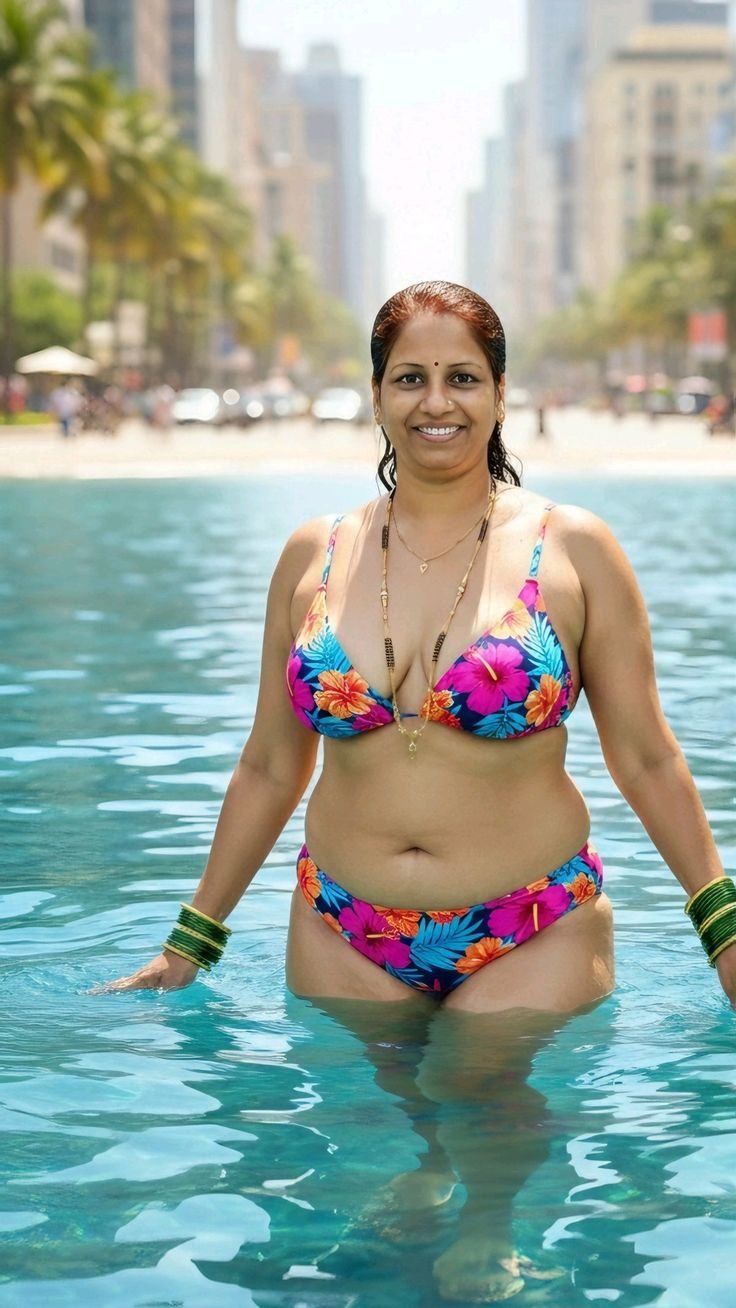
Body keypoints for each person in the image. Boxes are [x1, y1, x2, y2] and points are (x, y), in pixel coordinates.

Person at [103, 280, 735, 1297]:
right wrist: (191, 942)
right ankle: (429, 1179)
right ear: (376, 394)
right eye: (410, 378)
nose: (436, 401)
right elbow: (269, 763)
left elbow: (648, 757)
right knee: (379, 1117)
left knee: (473, 1082)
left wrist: (724, 931)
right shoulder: (316, 555)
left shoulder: (572, 548)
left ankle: (487, 1223)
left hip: (530, 922)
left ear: (500, 393)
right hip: (341, 923)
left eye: (461, 377)